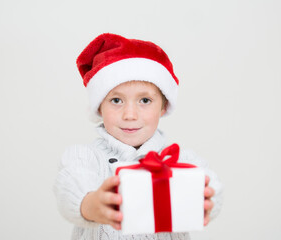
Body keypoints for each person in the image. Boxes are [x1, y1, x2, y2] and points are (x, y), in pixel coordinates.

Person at [54, 33, 223, 240]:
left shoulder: (179, 160)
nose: (130, 115)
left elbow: (212, 187)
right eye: (116, 100)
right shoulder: (85, 157)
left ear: (163, 107)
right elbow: (70, 190)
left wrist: (205, 201)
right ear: (99, 107)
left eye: (144, 100)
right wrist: (92, 204)